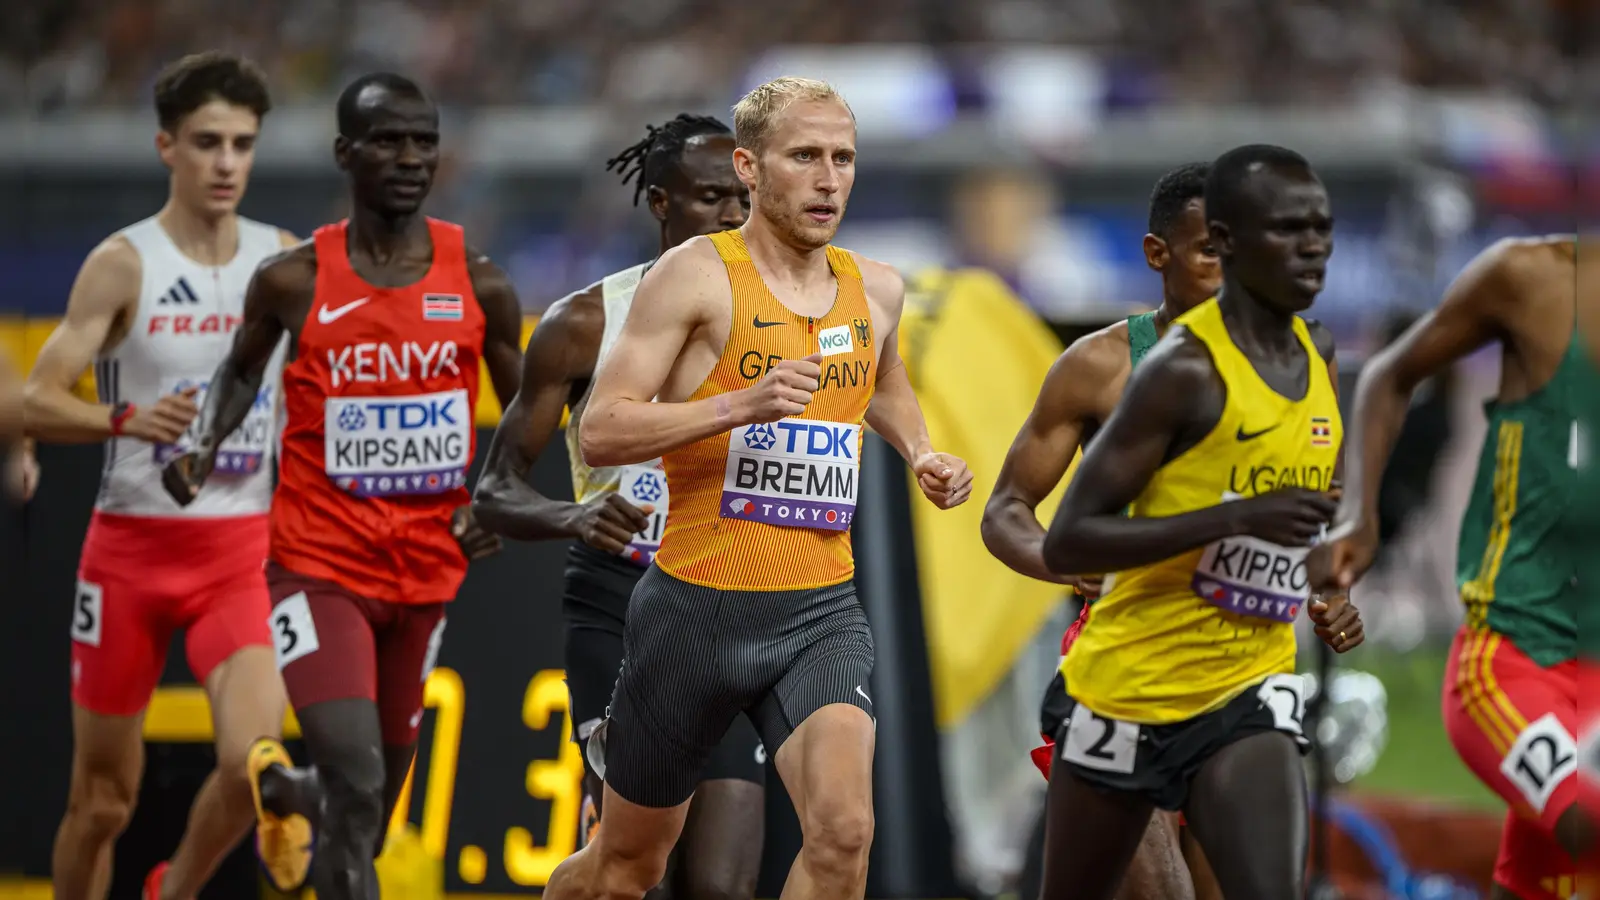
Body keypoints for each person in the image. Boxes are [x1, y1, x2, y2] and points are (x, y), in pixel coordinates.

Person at [540, 76, 972, 900]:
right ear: (749, 166)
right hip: (692, 614)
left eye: (843, 158)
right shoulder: (693, 277)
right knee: (627, 866)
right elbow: (603, 428)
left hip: (819, 613)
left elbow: (880, 380)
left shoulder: (875, 287)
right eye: (804, 156)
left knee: (844, 834)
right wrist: (739, 405)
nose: (829, 178)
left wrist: (920, 451)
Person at [160, 72, 525, 900]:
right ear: (345, 153)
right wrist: (204, 446)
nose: (409, 157)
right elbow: (238, 372)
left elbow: (530, 411)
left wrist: (497, 489)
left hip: (426, 571)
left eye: (424, 141)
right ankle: (308, 792)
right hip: (319, 568)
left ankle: (290, 792)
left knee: (368, 809)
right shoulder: (294, 280)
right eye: (389, 140)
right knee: (358, 784)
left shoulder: (481, 281)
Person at [1035, 144, 1366, 900]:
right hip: (1128, 688)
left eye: (1321, 227)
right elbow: (1069, 538)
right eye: (1287, 229)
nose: (1312, 245)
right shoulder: (1177, 369)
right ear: (1228, 241)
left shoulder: (1319, 355)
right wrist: (1235, 518)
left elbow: (1309, 513)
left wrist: (1330, 585)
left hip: (1248, 686)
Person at [21, 52, 310, 899]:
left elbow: (311, 392)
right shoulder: (123, 263)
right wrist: (123, 420)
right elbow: (35, 398)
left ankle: (172, 890)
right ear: (165, 148)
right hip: (130, 557)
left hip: (239, 554)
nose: (227, 163)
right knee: (102, 801)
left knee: (253, 765)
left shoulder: (281, 259)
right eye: (207, 142)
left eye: (243, 144)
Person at [472, 114, 764, 897]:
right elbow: (494, 490)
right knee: (638, 875)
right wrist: (572, 515)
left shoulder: (786, 317)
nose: (734, 216)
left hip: (733, 606)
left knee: (724, 886)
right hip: (620, 607)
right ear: (661, 203)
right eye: (711, 198)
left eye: (745, 197)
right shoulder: (584, 324)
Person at [1311, 235, 1587, 900]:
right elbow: (1388, 374)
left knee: (1547, 875)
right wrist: (1362, 515)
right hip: (1511, 662)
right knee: (1586, 822)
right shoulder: (1531, 277)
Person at [982, 162, 1229, 900]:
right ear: (1159, 255)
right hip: (1122, 664)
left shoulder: (1292, 364)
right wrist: (1061, 561)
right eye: (1210, 249)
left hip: (1238, 665)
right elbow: (1006, 510)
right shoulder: (1099, 367)